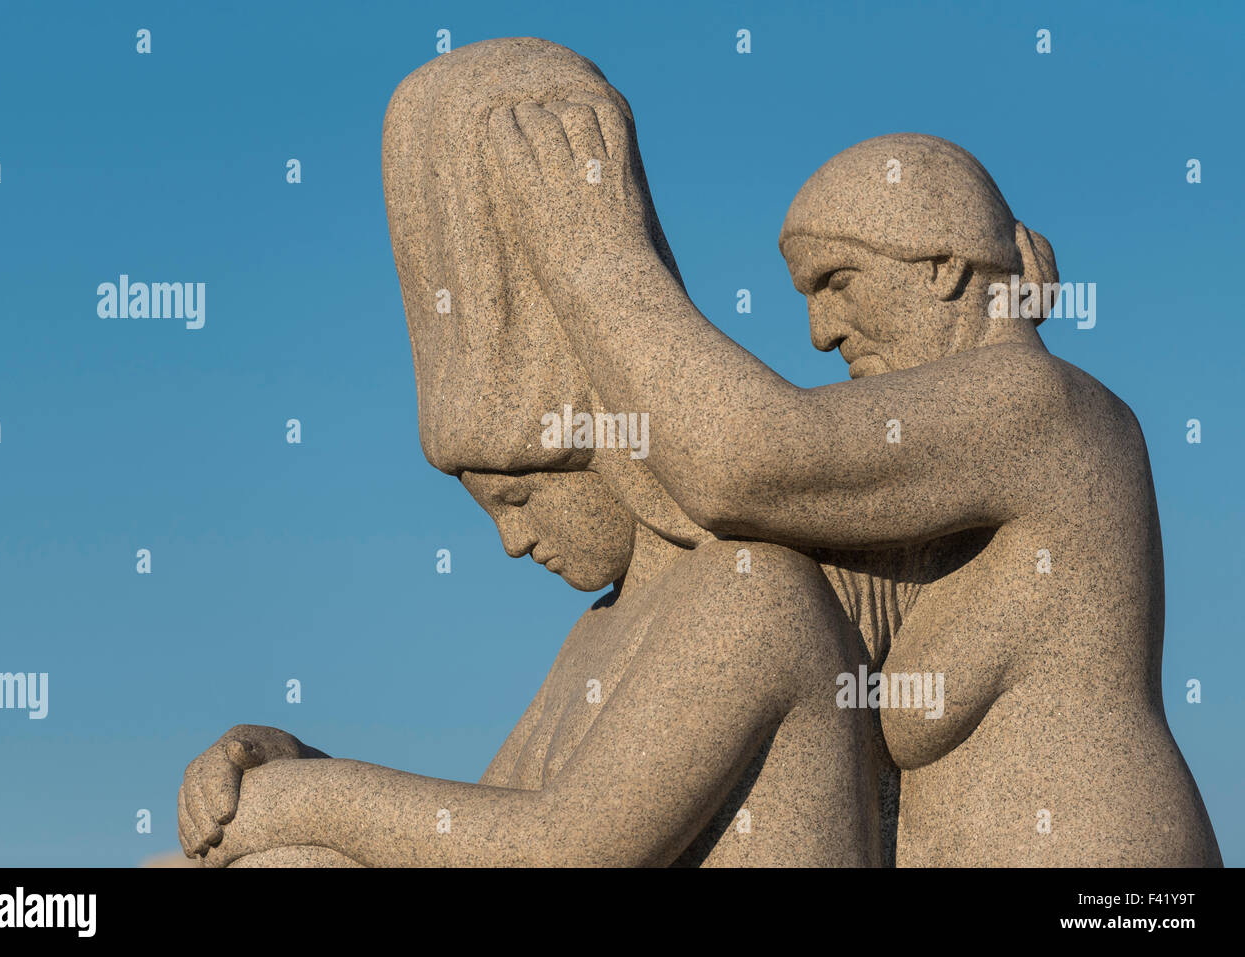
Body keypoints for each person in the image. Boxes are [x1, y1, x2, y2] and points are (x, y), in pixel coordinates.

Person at [177, 38, 887, 868]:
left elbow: (562, 848)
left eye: (515, 497)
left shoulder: (750, 596)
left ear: (609, 445)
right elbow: (465, 837)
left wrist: (306, 799)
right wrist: (292, 759)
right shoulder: (599, 636)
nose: (513, 541)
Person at [486, 99, 1222, 864]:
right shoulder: (938, 491)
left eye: (837, 281)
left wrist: (593, 261)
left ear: (942, 265)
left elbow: (745, 458)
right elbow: (707, 496)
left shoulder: (1042, 405)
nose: (820, 330)